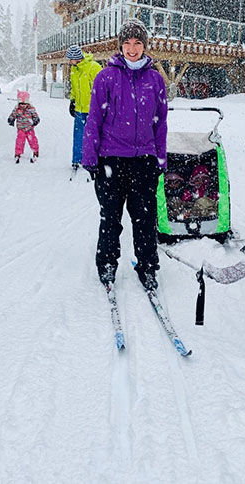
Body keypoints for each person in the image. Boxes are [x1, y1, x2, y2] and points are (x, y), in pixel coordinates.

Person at [82, 18, 168, 290]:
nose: (132, 48)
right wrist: (90, 157)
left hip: (144, 159)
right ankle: (107, 263)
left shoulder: (155, 79)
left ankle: (147, 266)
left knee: (144, 218)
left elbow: (161, 121)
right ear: (120, 46)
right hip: (111, 158)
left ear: (145, 46)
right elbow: (94, 118)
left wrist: (160, 158)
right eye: (127, 43)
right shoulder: (106, 76)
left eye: (138, 43)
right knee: (110, 216)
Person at [66, 44, 103, 171]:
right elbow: (74, 89)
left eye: (70, 59)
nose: (70, 62)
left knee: (94, 136)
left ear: (76, 58)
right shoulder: (74, 70)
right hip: (79, 110)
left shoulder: (94, 68)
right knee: (78, 135)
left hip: (93, 110)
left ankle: (95, 159)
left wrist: (100, 105)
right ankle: (77, 159)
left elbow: (102, 88)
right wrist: (72, 101)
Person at [7, 90, 40, 163]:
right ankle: (18, 153)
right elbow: (13, 115)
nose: (22, 106)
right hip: (21, 129)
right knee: (19, 141)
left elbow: (35, 115)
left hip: (29, 128)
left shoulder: (31, 109)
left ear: (27, 103)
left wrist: (36, 119)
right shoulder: (17, 109)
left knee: (32, 140)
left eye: (24, 104)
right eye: (21, 104)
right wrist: (11, 119)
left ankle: (35, 150)